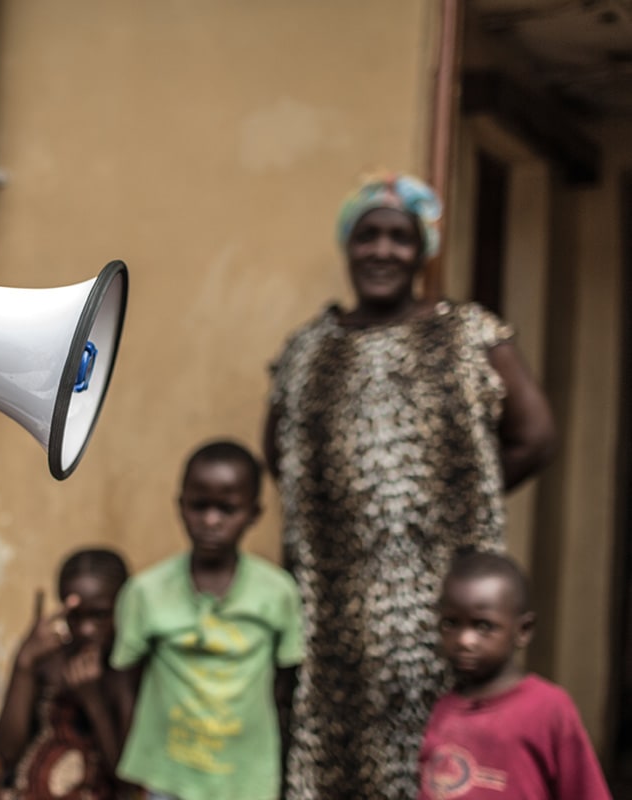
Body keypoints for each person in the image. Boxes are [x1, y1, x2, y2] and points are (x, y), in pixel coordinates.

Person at [262, 172, 559, 800]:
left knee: (447, 770)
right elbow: (280, 453)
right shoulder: (307, 349)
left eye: (400, 237)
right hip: (333, 619)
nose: (382, 250)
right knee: (337, 769)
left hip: (441, 615)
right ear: (348, 246)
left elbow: (537, 436)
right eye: (367, 235)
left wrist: (449, 497)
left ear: (423, 249)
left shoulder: (469, 334)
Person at [111, 440, 304, 800]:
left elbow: (285, 685)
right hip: (167, 774)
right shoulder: (146, 592)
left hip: (246, 776)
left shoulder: (277, 593)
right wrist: (134, 759)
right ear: (180, 505)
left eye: (227, 509)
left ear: (254, 512)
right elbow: (124, 680)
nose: (211, 520)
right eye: (199, 506)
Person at [418, 551, 612, 799]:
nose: (464, 640)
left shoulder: (548, 709)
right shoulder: (443, 709)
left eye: (483, 626)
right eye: (451, 624)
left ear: (523, 630)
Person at [0, 547, 134, 799]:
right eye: (75, 616)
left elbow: (125, 776)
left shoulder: (128, 671)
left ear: (123, 606)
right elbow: (7, 753)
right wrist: (23, 664)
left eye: (99, 615)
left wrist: (92, 700)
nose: (86, 630)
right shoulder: (49, 660)